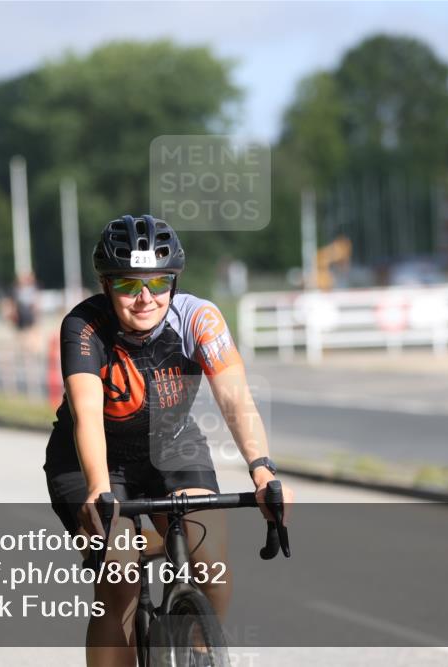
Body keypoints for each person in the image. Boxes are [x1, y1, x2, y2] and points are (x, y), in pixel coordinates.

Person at [44, 214, 293, 666]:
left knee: (210, 561)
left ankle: (197, 651)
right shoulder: (82, 327)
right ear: (105, 284)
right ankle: (133, 546)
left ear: (174, 282)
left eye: (158, 282)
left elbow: (236, 401)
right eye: (127, 285)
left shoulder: (200, 319)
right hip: (91, 458)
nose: (145, 298)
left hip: (171, 444)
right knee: (120, 577)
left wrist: (262, 470)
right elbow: (86, 416)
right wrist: (99, 488)